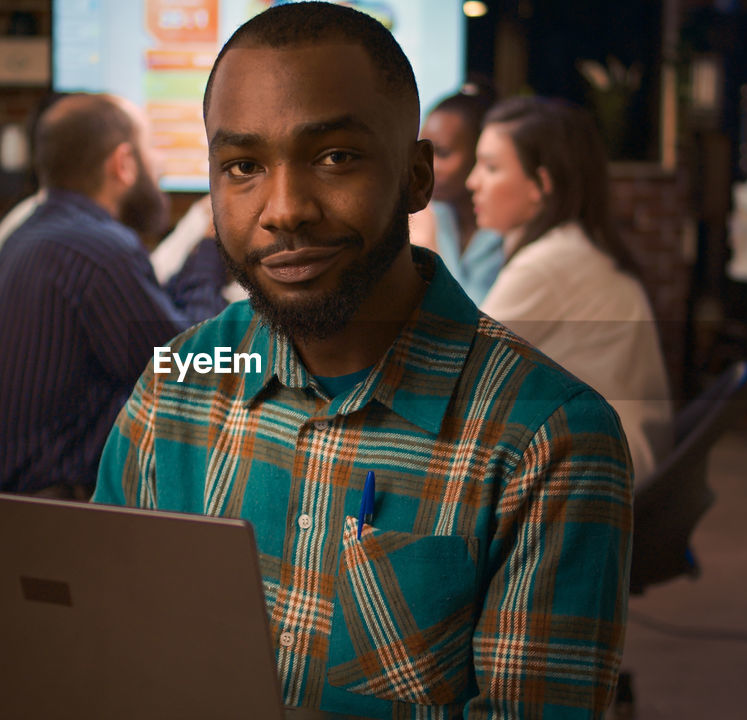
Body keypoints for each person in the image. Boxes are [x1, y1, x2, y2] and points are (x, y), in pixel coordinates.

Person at [95, 4, 632, 717]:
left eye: (334, 156)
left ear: (415, 177)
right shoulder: (178, 384)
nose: (284, 208)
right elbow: (99, 647)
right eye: (243, 166)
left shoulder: (548, 438)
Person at [0, 93, 227, 497]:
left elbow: (149, 330)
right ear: (123, 164)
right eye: (151, 148)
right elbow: (190, 368)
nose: (159, 163)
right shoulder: (99, 249)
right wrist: (211, 251)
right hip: (41, 503)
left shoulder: (34, 232)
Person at [469, 95, 673, 482]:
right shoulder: (574, 245)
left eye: (491, 167)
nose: (472, 181)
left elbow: (458, 368)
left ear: (541, 184)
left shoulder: (550, 263)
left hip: (595, 473)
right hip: (614, 459)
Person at [411, 85, 504, 305]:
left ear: (479, 154)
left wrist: (429, 248)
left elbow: (478, 324)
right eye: (423, 151)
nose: (425, 165)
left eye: (442, 154)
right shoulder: (430, 213)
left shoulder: (507, 228)